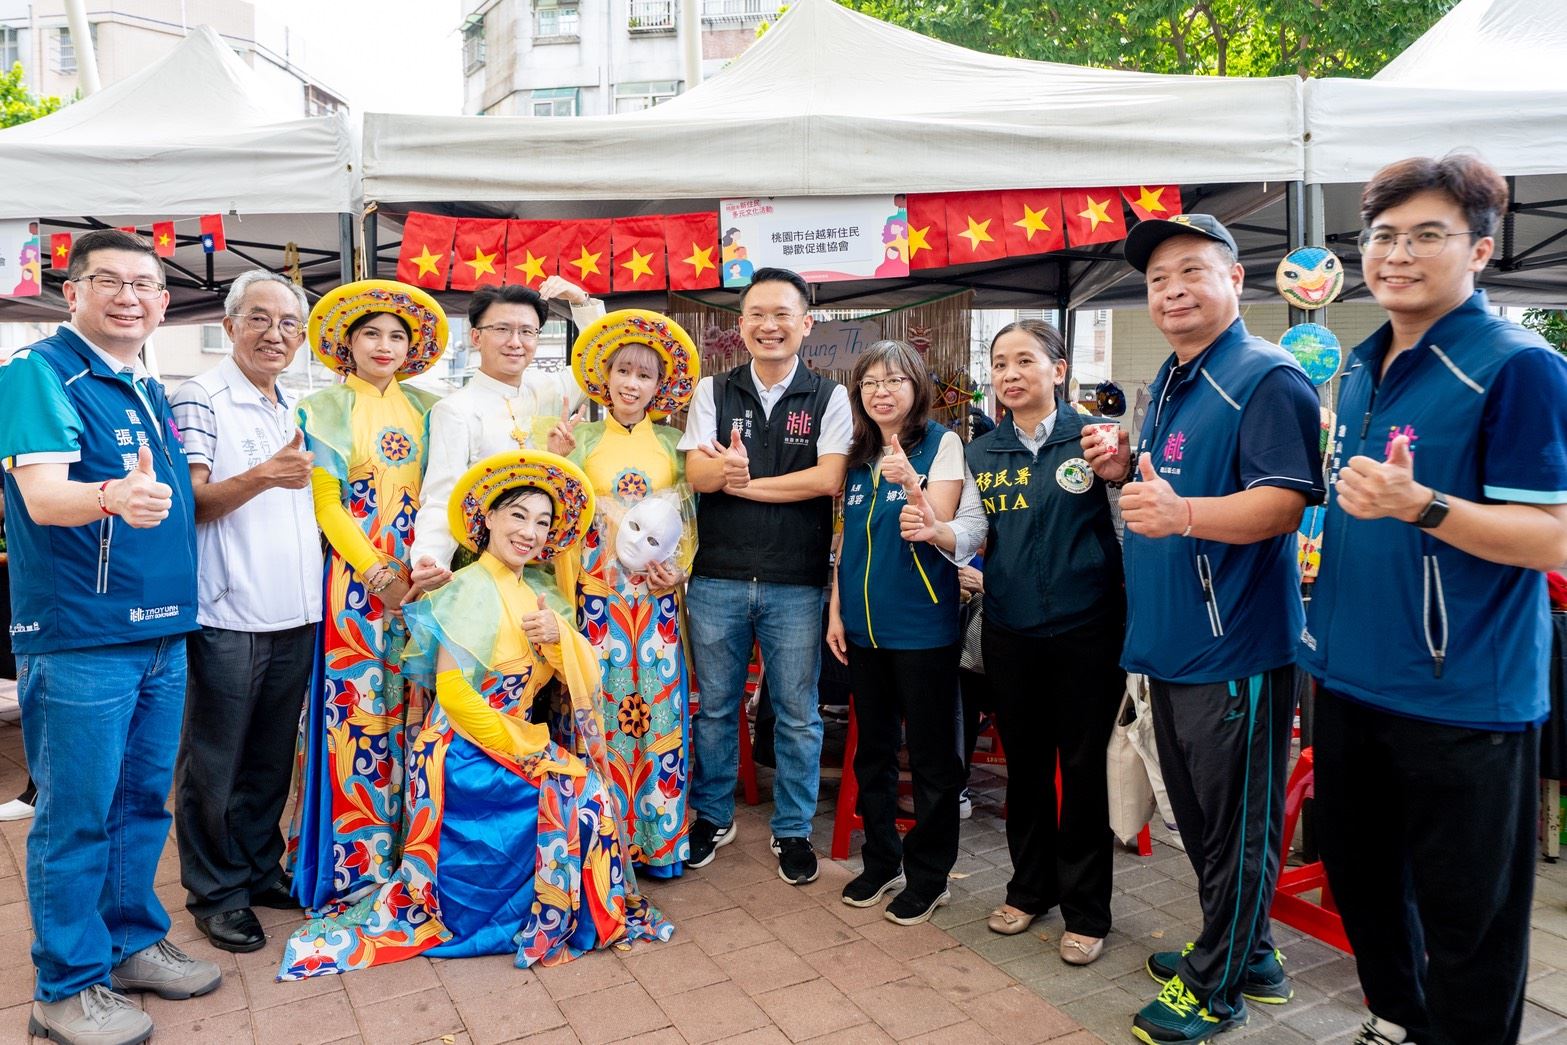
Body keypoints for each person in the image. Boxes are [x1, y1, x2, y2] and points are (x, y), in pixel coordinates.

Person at [1300, 154, 1567, 1045]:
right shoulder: (1368, 361)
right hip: (1348, 678)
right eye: (1382, 235)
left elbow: (1552, 536)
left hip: (1464, 697)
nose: (1396, 254)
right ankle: (1395, 1022)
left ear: (1481, 249)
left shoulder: (1518, 365)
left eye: (1425, 235)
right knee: (1366, 889)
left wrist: (1424, 506)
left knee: (1469, 925)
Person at [277, 450, 671, 977]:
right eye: (518, 516)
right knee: (578, 794)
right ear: (487, 520)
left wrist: (560, 640)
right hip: (461, 753)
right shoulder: (465, 588)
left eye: (542, 522)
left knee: (588, 793)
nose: (530, 532)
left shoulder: (540, 593)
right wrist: (522, 748)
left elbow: (588, 678)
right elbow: (456, 696)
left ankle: (554, 910)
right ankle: (534, 913)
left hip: (504, 742)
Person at [1082, 214, 1324, 1044]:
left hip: (1238, 648)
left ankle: (1215, 984)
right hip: (1173, 641)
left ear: (1234, 280)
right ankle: (1245, 951)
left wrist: (1183, 511)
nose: (1172, 290)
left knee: (1238, 825)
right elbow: (1164, 492)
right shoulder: (1176, 379)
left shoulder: (1265, 376)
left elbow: (1284, 500)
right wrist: (1123, 470)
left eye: (1191, 271)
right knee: (1205, 820)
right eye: (1156, 280)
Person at [0, 228, 220, 1045]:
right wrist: (110, 499)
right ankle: (64, 987)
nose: (130, 295)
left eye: (145, 284)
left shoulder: (142, 382)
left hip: (161, 631)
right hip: (81, 636)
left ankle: (129, 944)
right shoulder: (38, 372)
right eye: (110, 281)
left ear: (165, 302)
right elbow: (46, 498)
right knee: (76, 814)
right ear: (73, 291)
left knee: (136, 803)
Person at [678, 266, 852, 884]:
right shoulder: (712, 391)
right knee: (716, 709)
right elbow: (696, 477)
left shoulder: (830, 397)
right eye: (757, 314)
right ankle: (712, 815)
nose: (769, 325)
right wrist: (728, 478)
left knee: (798, 712)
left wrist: (741, 482)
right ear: (741, 324)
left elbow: (827, 481)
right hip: (717, 577)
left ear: (806, 324)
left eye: (783, 314)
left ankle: (793, 829)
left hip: (797, 581)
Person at [963, 321, 1125, 965]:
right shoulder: (982, 452)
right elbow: (969, 533)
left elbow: (1123, 531)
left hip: (1088, 630)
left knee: (1084, 772)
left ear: (1058, 370)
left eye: (1024, 360)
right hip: (1011, 632)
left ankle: (1087, 911)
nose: (1010, 374)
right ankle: (1030, 890)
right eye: (1000, 363)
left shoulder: (1093, 442)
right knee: (1025, 770)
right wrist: (939, 532)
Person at [169, 270, 320, 953]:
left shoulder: (294, 403)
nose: (275, 334)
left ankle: (260, 869)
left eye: (289, 324)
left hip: (295, 608)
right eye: (260, 319)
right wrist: (263, 474)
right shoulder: (200, 396)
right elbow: (191, 503)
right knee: (213, 762)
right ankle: (215, 892)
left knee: (267, 758)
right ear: (228, 326)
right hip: (228, 611)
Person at [287, 279, 446, 911]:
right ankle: (357, 859)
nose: (384, 345)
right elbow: (327, 501)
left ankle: (417, 848)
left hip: (426, 577)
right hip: (355, 586)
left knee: (418, 706)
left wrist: (420, 571)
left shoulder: (434, 407)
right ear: (345, 344)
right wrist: (378, 572)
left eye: (396, 336)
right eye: (370, 334)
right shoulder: (322, 409)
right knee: (356, 715)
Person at [546, 309, 699, 878]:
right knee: (598, 708)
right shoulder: (578, 438)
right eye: (624, 371)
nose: (633, 384)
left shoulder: (676, 444)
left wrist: (679, 571)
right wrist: (558, 460)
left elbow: (691, 518)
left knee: (658, 713)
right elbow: (559, 515)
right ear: (603, 377)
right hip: (596, 598)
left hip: (655, 602)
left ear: (661, 387)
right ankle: (600, 836)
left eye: (646, 375)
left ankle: (659, 844)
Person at [824, 338, 971, 925]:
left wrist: (910, 480)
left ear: (917, 387)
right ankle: (881, 860)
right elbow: (848, 544)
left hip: (922, 628)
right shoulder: (856, 454)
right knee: (874, 753)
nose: (881, 392)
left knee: (933, 759)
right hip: (861, 629)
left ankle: (930, 875)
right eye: (870, 383)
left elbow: (934, 523)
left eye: (894, 380)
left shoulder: (943, 445)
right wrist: (837, 612)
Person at [408, 277, 604, 595]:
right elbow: (442, 497)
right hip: (485, 572)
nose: (516, 341)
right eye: (502, 329)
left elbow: (597, 358)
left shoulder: (548, 389)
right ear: (475, 337)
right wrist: (430, 560)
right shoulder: (456, 409)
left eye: (527, 331)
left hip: (550, 571)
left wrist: (580, 300)